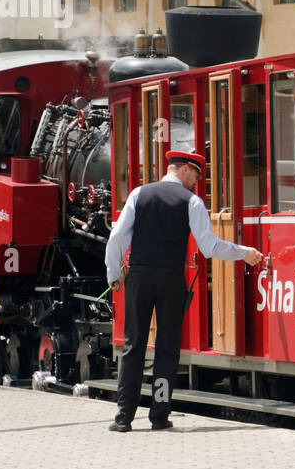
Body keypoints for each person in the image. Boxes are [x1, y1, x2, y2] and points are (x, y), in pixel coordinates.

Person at [105, 150, 263, 432]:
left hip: (139, 276)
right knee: (166, 349)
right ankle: (159, 416)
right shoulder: (191, 202)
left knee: (133, 346)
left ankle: (123, 417)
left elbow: (117, 236)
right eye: (197, 176)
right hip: (170, 280)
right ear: (186, 170)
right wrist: (243, 253)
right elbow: (209, 246)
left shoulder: (140, 193)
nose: (197, 183)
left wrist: (114, 273)